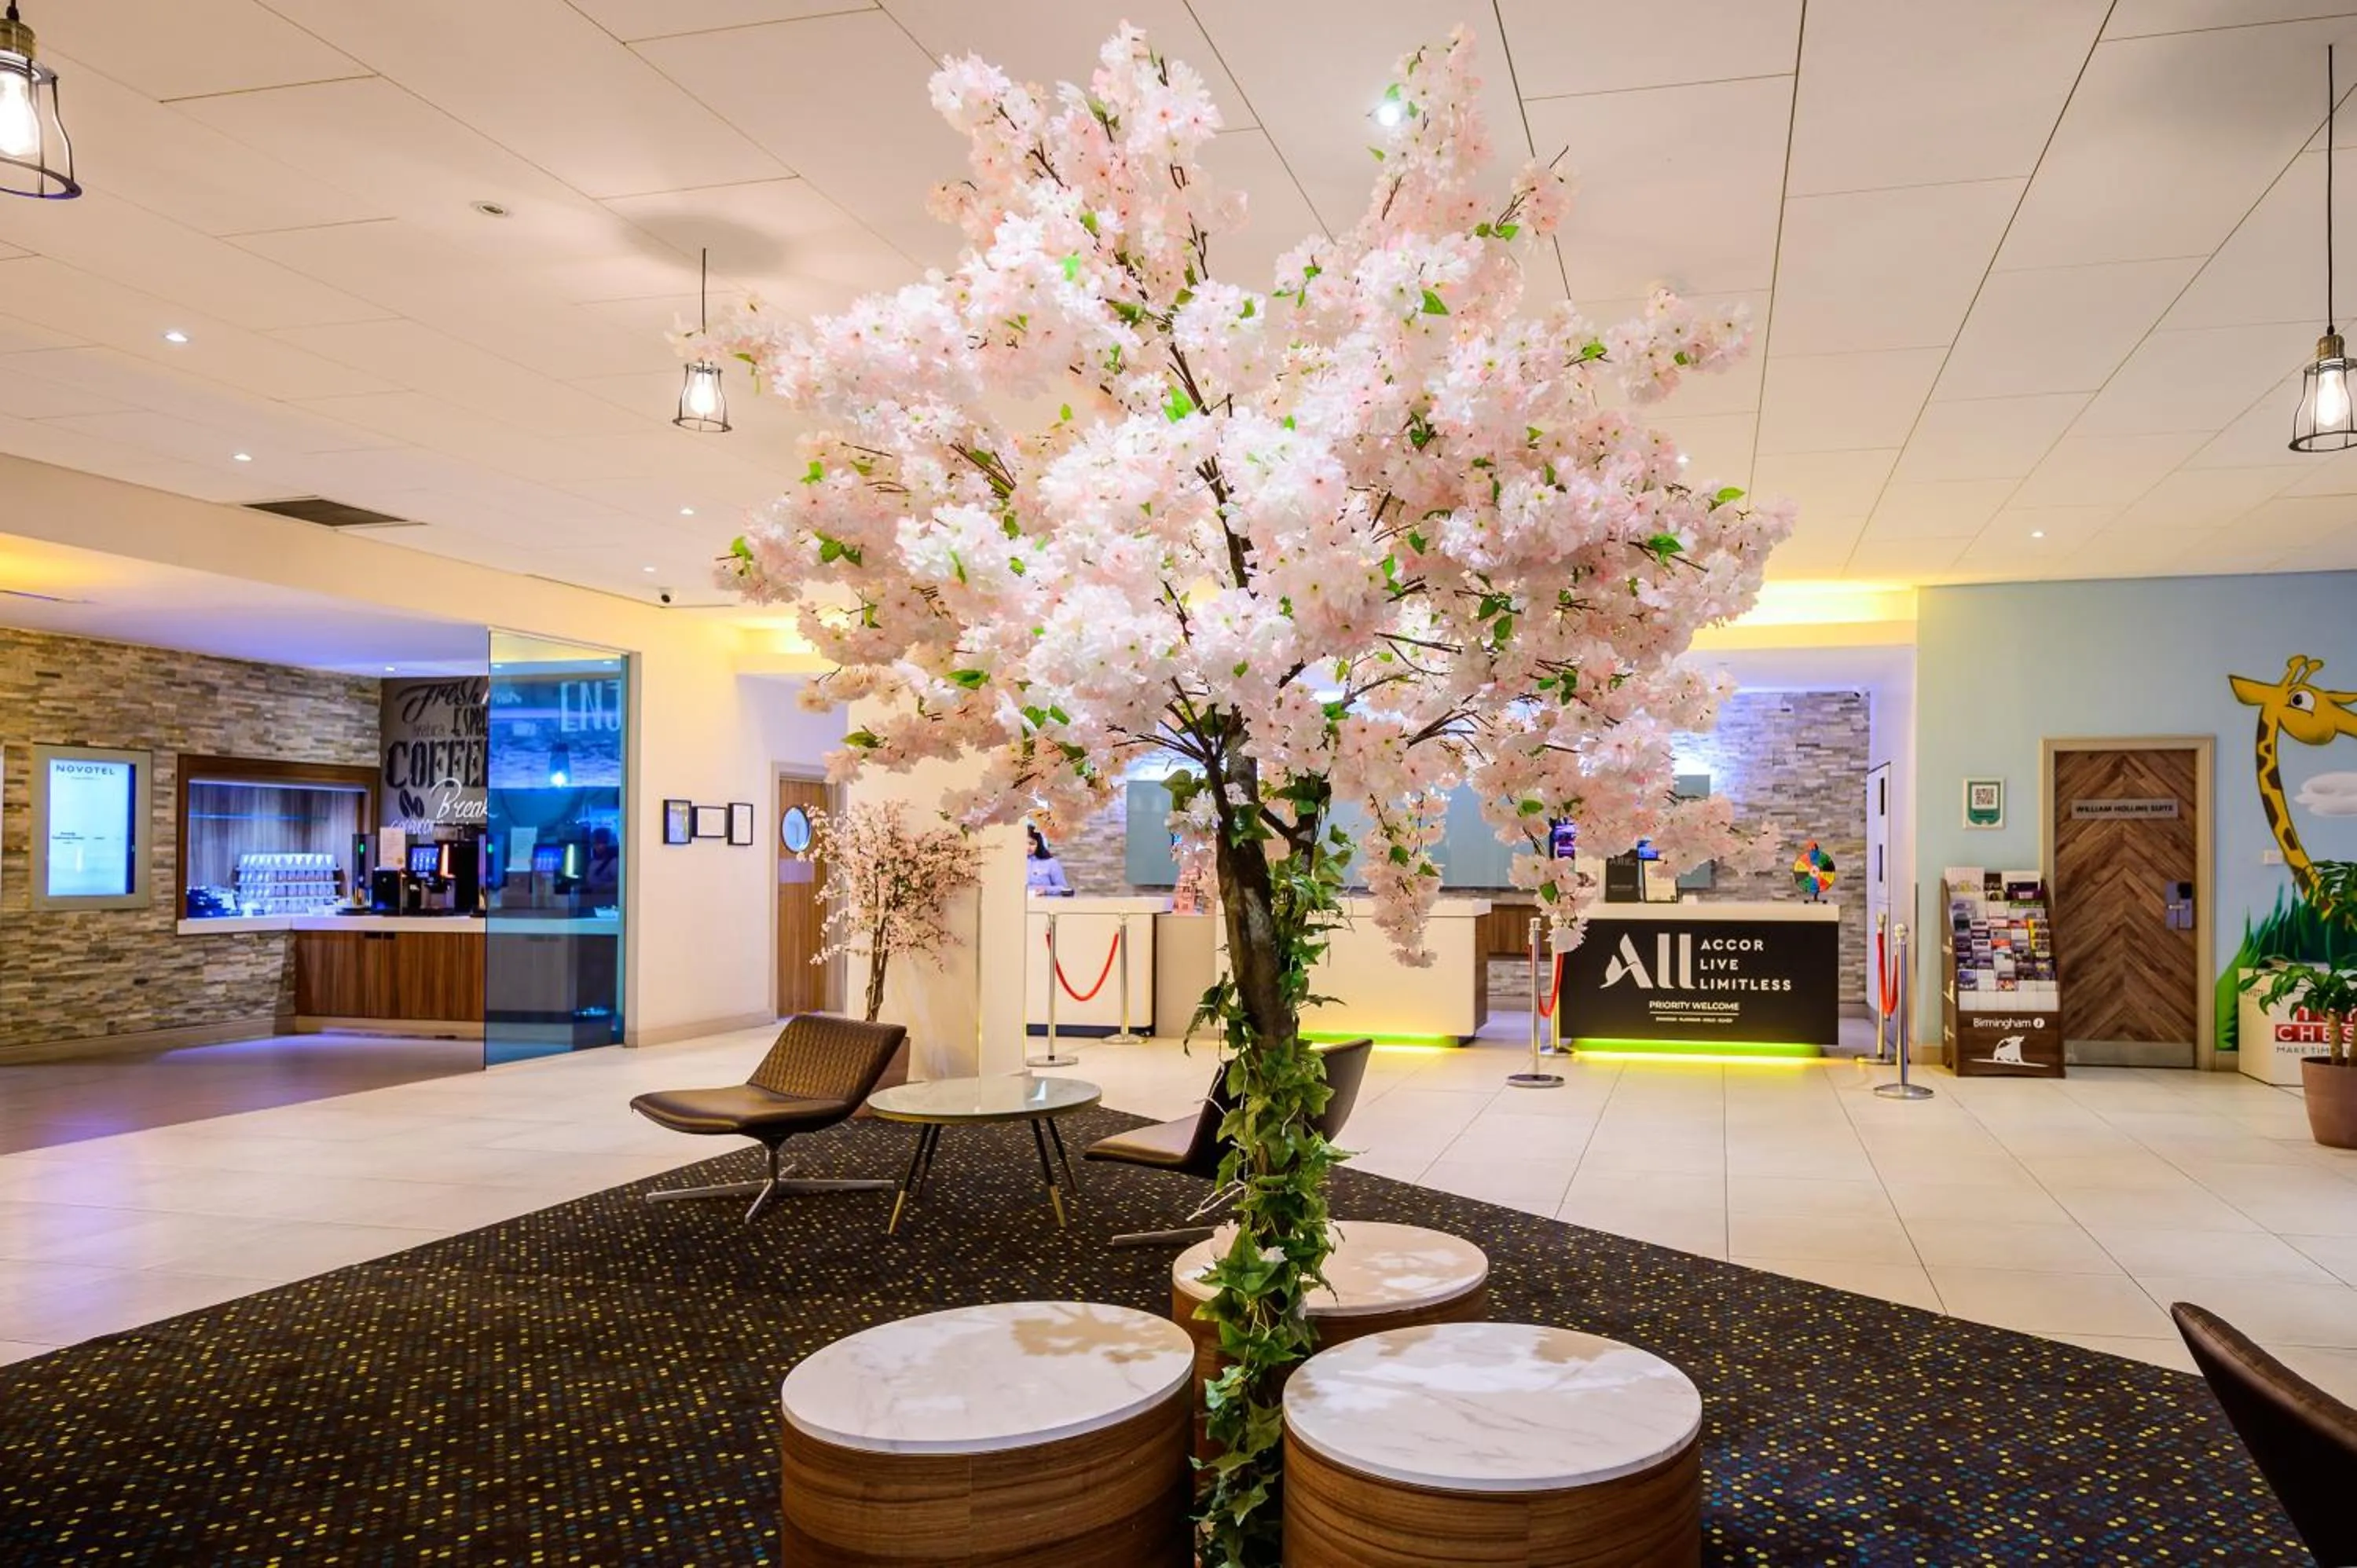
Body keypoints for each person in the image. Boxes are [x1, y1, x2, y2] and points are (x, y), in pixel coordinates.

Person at [1025, 822, 1071, 895]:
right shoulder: (1011, 862)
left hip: (1045, 903)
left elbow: (1064, 888)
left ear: (1038, 844)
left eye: (1032, 844)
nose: (1027, 847)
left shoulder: (1051, 863)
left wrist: (1046, 890)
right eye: (1024, 843)